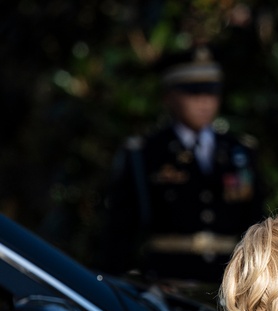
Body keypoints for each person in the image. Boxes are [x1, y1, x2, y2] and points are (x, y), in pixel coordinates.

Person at [103, 45, 264, 287]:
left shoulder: (240, 151)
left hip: (229, 283)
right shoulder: (145, 153)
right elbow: (120, 231)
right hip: (165, 284)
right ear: (169, 96)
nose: (204, 101)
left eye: (211, 92)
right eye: (193, 92)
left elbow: (255, 221)